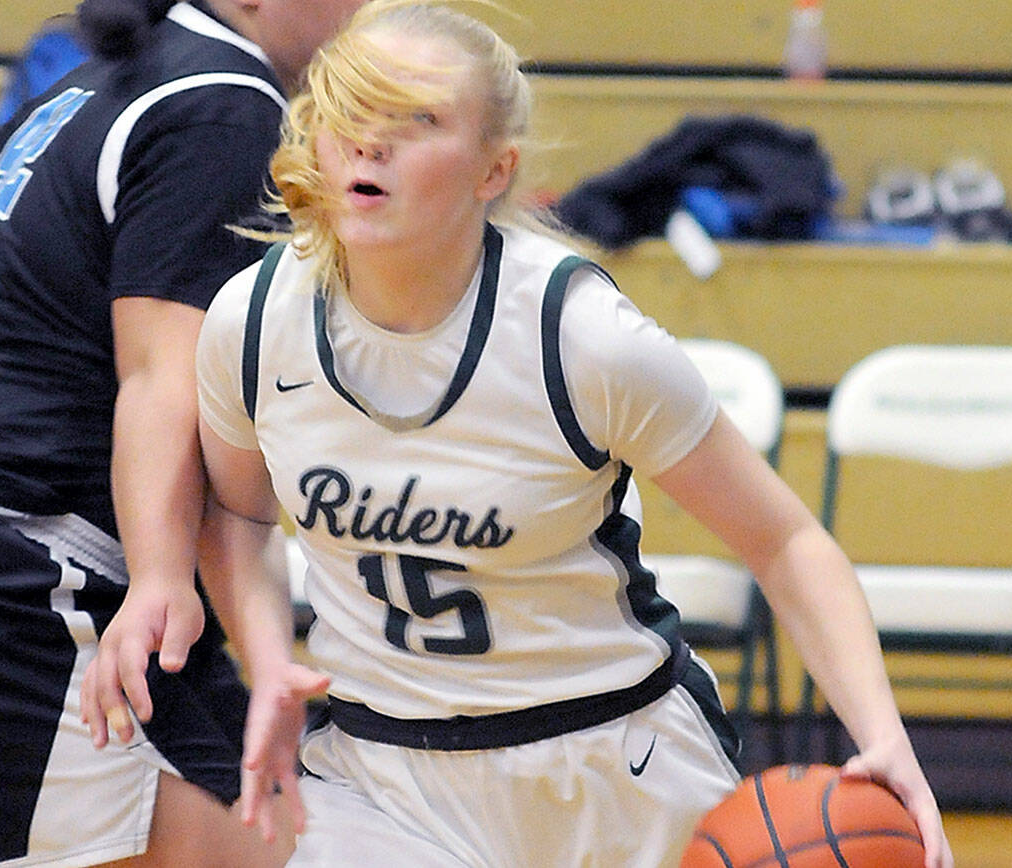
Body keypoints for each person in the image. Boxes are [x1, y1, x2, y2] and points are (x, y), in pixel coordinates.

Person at [87, 2, 953, 866]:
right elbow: (238, 518)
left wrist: (886, 739)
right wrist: (269, 660)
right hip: (384, 776)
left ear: (493, 170)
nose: (368, 142)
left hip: (614, 762)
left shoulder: (581, 337)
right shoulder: (255, 320)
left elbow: (787, 540)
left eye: (415, 120)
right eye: (348, 110)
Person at [0, 1, 365, 866]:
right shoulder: (225, 103)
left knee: (307, 839)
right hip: (11, 584)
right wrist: (161, 573)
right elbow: (158, 377)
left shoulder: (110, 79)